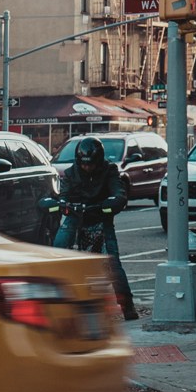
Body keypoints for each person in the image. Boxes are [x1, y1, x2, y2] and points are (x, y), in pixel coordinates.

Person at [53, 137, 137, 319]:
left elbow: (119, 193)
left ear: (98, 161)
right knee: (57, 250)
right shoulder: (71, 173)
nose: (86, 167)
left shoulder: (110, 171)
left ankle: (127, 306)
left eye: (90, 164)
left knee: (112, 262)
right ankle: (53, 302)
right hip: (76, 218)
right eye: (83, 164)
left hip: (100, 217)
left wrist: (112, 202)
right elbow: (63, 194)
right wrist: (64, 204)